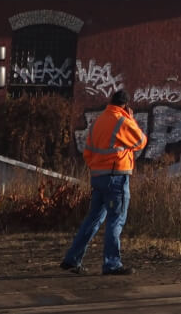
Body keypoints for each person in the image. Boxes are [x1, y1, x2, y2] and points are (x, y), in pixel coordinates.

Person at [59, 90, 148, 276]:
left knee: (93, 219)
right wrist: (131, 119)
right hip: (116, 176)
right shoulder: (123, 121)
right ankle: (112, 264)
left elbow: (88, 151)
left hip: (98, 177)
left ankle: (72, 259)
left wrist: (96, 167)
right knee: (116, 220)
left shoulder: (98, 121)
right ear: (125, 106)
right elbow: (141, 141)